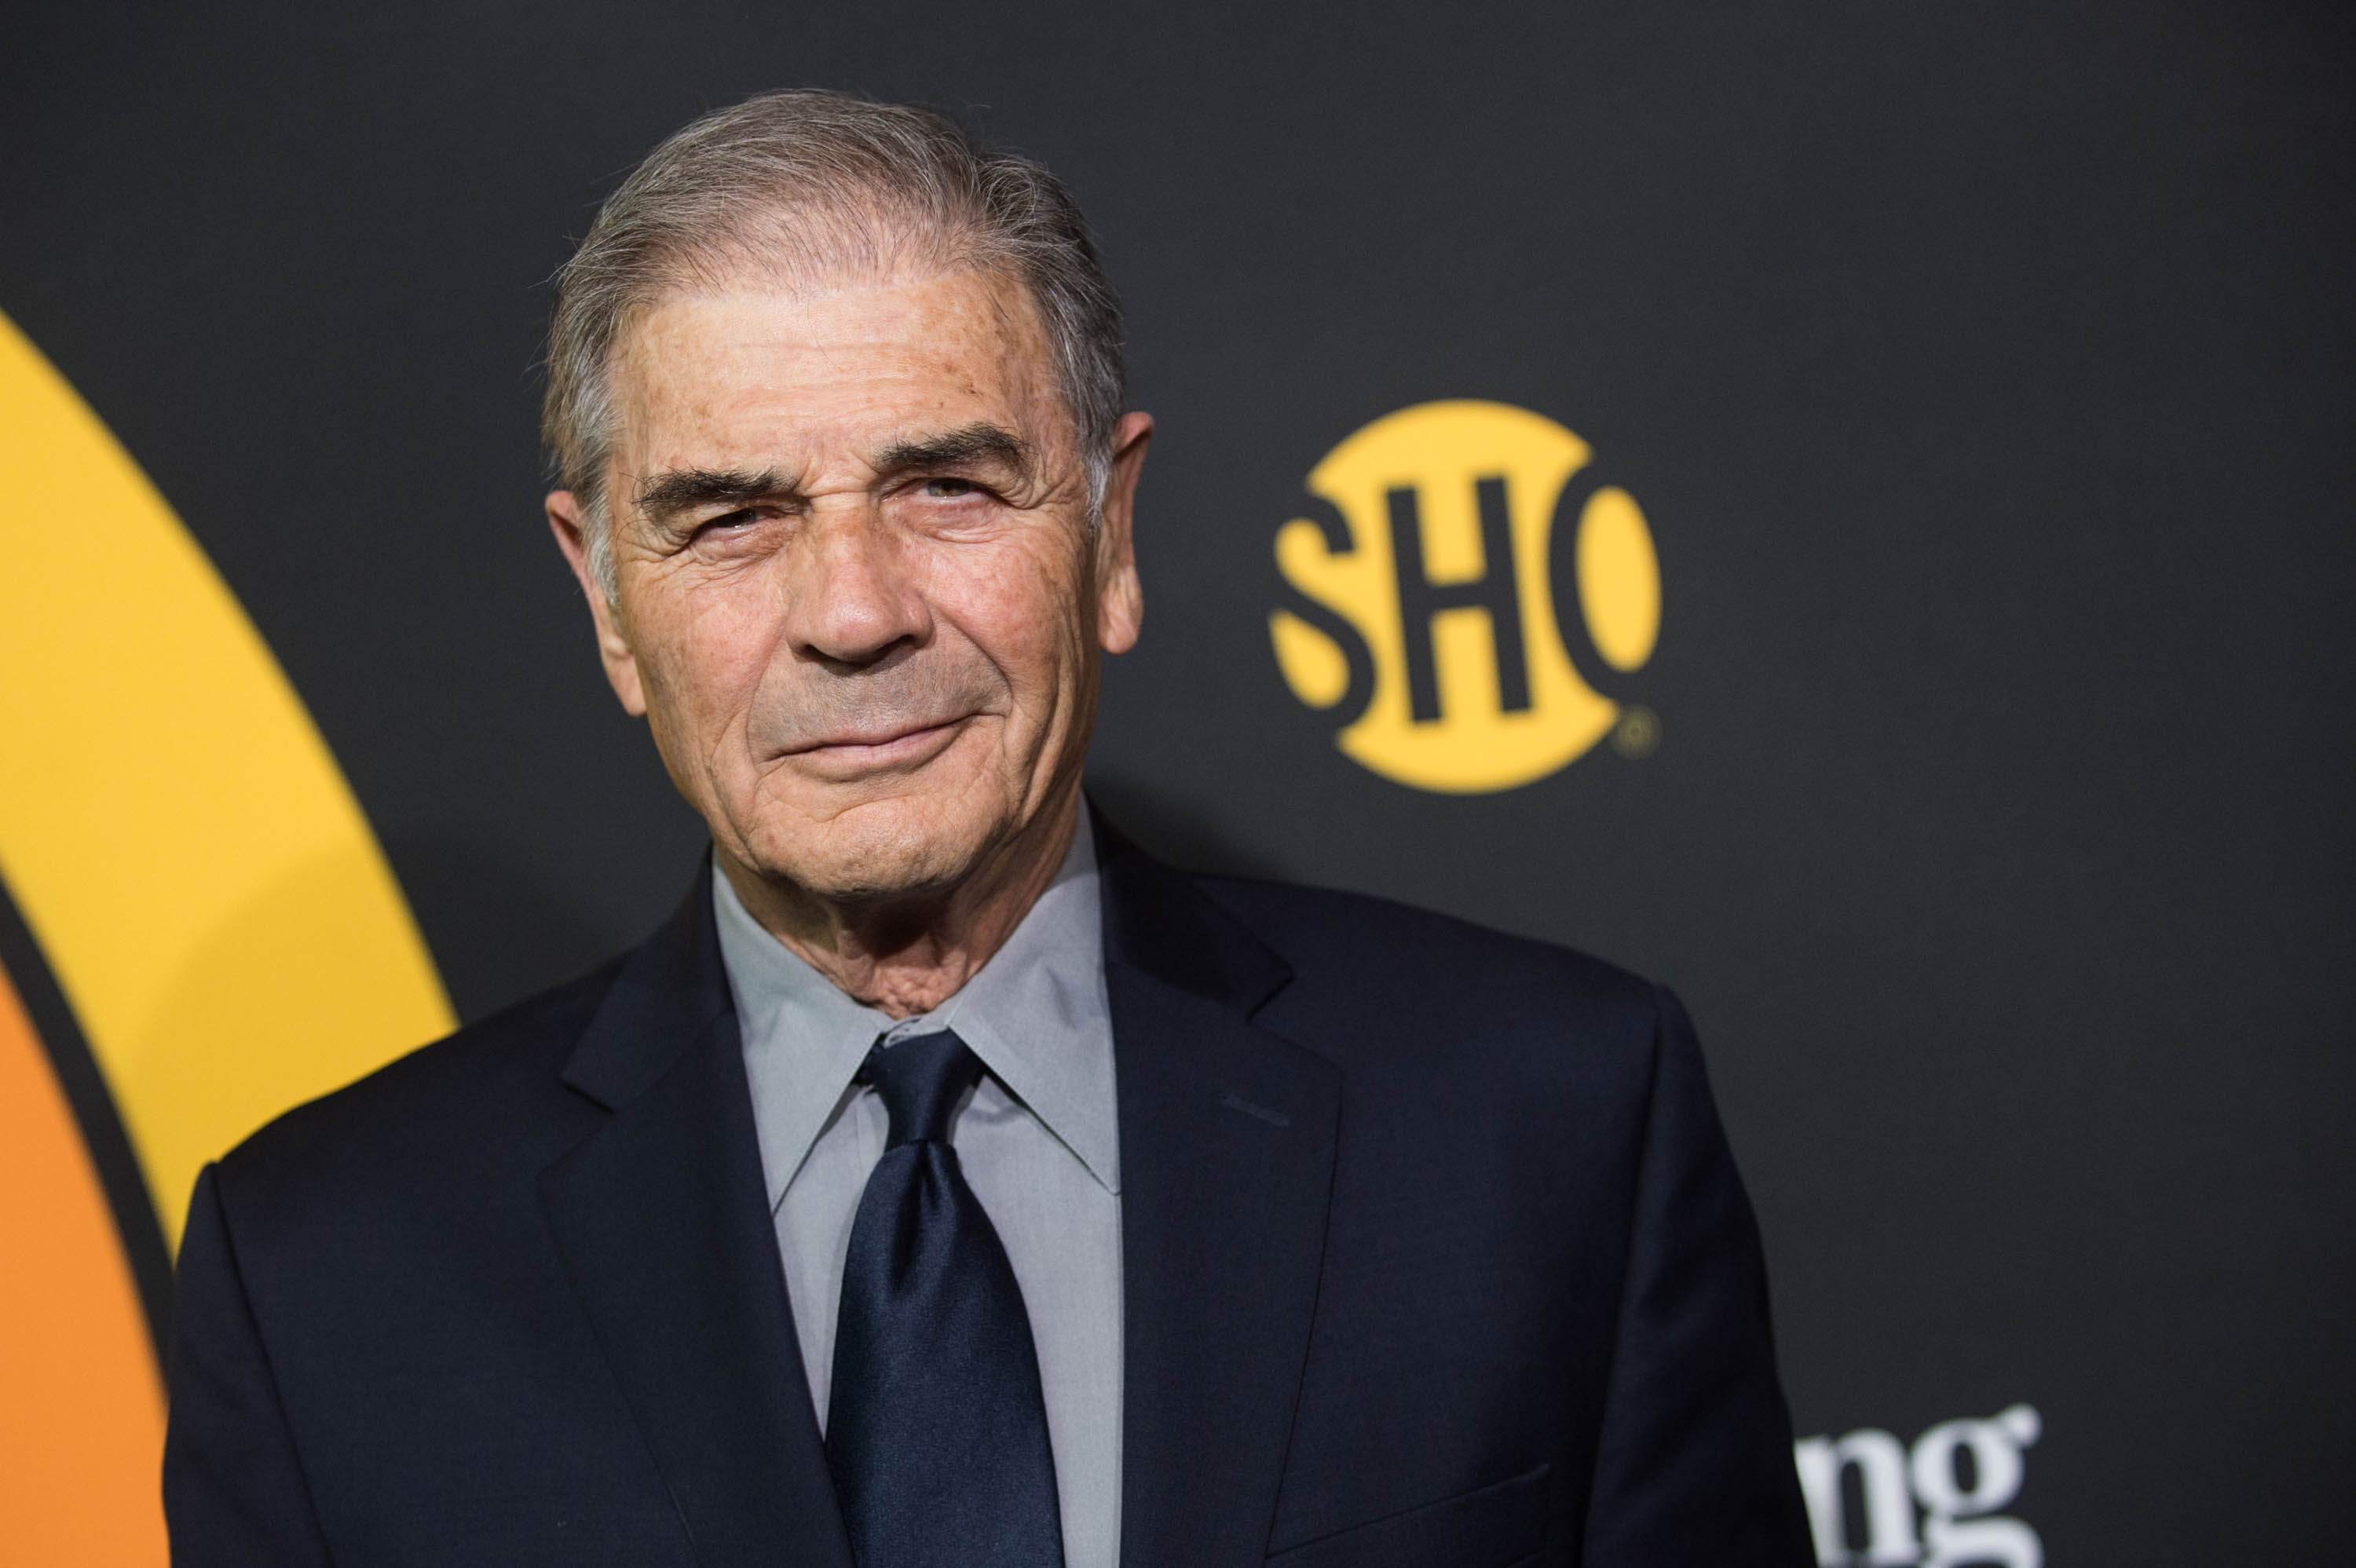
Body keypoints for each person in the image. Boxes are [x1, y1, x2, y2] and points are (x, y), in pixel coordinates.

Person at [163, 90, 1813, 1567]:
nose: (855, 614)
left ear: (1109, 534)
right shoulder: (326, 1280)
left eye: (948, 487)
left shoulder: (1552, 1123)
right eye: (731, 520)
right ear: (604, 598)